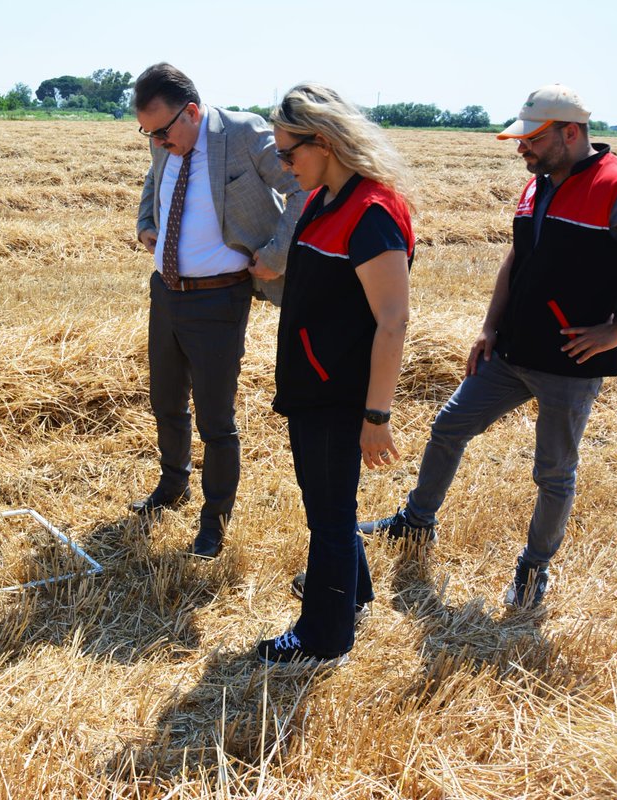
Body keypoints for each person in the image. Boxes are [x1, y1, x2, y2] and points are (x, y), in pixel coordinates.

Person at [360, 84, 617, 609]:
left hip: (571, 364)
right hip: (511, 351)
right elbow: (516, 258)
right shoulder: (538, 185)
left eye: (531, 138)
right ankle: (416, 522)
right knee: (449, 425)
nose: (520, 147)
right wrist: (489, 327)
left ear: (570, 133)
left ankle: (534, 570)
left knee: (553, 472)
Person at [253, 83, 414, 670]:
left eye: (288, 152)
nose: (283, 164)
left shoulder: (370, 213)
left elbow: (393, 320)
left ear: (322, 141)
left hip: (339, 393)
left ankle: (323, 638)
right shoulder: (326, 198)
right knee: (328, 502)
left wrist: (376, 415)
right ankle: (354, 594)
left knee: (328, 512)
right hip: (311, 384)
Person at [131, 63, 304, 558]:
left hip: (218, 299)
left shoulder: (245, 134)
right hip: (165, 292)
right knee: (166, 401)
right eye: (148, 133)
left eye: (163, 131)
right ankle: (173, 485)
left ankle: (214, 520)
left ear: (191, 111)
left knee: (215, 418)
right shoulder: (165, 139)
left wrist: (274, 255)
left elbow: (303, 189)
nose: (157, 142)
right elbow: (154, 180)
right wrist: (146, 222)